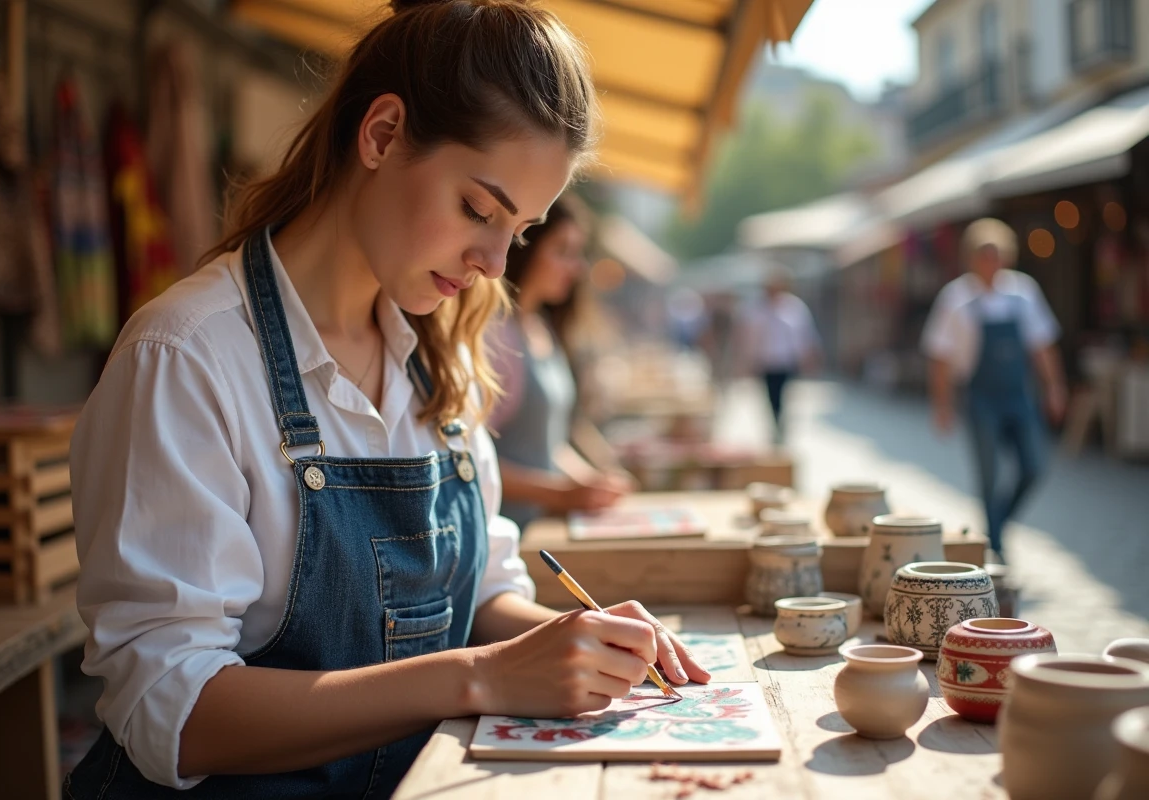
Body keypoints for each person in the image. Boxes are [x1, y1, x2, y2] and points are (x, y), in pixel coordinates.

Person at [63, 2, 710, 797]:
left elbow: (481, 597)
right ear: (381, 134)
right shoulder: (188, 358)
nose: (492, 261)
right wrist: (480, 678)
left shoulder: (441, 360)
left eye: (522, 231)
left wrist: (583, 644)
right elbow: (176, 711)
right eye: (478, 208)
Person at [922, 218, 1067, 563]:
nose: (991, 263)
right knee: (989, 475)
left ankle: (998, 523)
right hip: (980, 397)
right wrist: (941, 405)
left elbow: (1042, 345)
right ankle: (997, 544)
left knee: (1034, 465)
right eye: (984, 255)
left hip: (1018, 394)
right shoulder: (956, 298)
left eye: (996, 255)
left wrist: (1055, 387)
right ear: (972, 258)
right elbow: (939, 357)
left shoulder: (1023, 292)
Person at [488, 194, 633, 531]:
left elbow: (548, 444)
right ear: (526, 246)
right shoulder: (495, 336)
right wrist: (564, 495)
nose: (579, 267)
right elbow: (469, 461)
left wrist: (591, 484)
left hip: (539, 527)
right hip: (507, 536)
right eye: (563, 251)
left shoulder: (541, 328)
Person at [742, 271, 820, 443]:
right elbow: (751, 337)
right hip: (766, 361)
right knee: (771, 396)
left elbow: (804, 335)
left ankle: (781, 425)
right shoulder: (757, 308)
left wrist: (808, 358)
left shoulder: (794, 307)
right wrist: (749, 360)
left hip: (787, 361)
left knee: (784, 396)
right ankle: (775, 424)